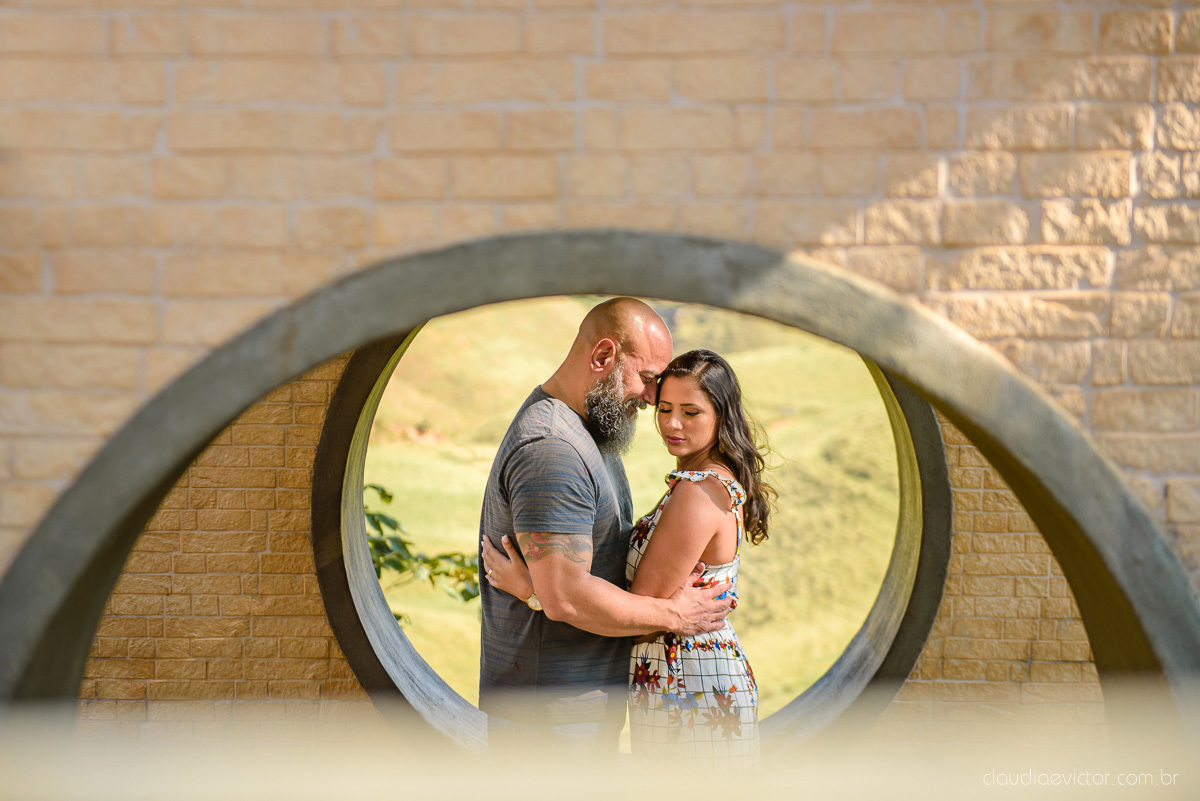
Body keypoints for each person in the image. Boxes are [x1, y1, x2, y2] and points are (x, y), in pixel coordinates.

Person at [484, 349, 774, 765]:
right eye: (666, 408)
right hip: (679, 679)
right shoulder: (706, 480)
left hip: (689, 686)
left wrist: (538, 590)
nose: (672, 424)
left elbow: (641, 618)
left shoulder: (697, 493)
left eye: (691, 412)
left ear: (721, 417)